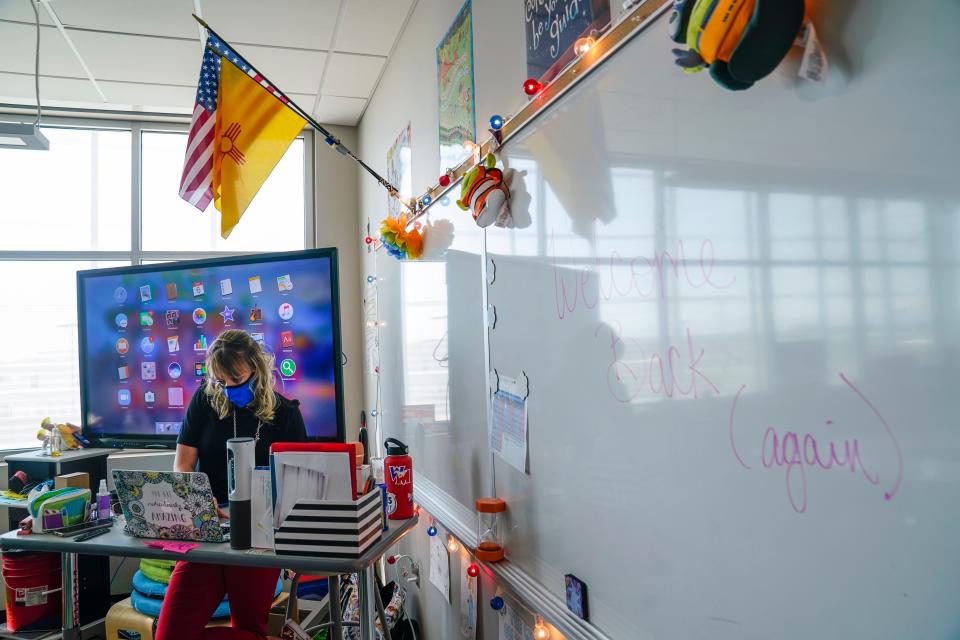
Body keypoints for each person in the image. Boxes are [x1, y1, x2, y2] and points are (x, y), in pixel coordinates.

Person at [155, 330, 307, 640]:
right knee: (169, 634)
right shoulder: (204, 400)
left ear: (257, 368)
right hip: (208, 533)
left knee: (248, 631)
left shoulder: (287, 415)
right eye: (219, 381)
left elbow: (297, 483)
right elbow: (183, 465)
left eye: (235, 379)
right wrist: (198, 495)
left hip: (259, 537)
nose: (227, 388)